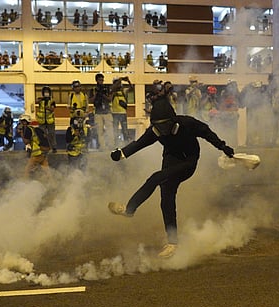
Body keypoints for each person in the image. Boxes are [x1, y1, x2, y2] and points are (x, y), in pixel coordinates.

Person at [108, 82, 235, 258]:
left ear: (173, 120)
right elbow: (138, 145)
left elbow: (207, 132)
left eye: (165, 125)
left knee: (155, 178)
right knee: (166, 199)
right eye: (158, 126)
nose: (162, 130)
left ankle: (129, 209)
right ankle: (173, 243)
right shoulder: (155, 131)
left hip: (188, 162)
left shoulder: (187, 124)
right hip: (170, 159)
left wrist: (223, 147)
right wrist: (121, 153)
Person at [17, 114, 51, 179]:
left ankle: (24, 184)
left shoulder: (28, 130)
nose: (21, 123)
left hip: (37, 153)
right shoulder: (37, 129)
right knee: (46, 171)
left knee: (27, 170)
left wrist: (21, 133)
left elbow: (26, 142)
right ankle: (52, 184)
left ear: (25, 122)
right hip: (44, 151)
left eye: (21, 121)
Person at [89, 73, 113, 151]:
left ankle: (111, 145)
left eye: (102, 80)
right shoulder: (93, 89)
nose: (101, 82)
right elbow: (91, 100)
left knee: (110, 130)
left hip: (107, 111)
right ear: (96, 80)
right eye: (100, 80)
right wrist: (96, 94)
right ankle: (102, 146)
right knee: (100, 130)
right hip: (98, 112)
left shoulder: (106, 88)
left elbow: (110, 99)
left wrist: (103, 94)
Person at [35, 86, 57, 153]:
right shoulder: (40, 100)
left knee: (51, 134)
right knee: (42, 135)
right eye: (45, 92)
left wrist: (48, 108)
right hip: (42, 121)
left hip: (50, 121)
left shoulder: (52, 100)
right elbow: (36, 102)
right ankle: (43, 147)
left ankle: (54, 147)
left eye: (47, 92)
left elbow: (52, 109)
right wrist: (42, 99)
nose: (46, 93)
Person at [111, 76, 132, 144]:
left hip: (123, 113)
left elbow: (131, 88)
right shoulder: (113, 91)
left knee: (125, 129)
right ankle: (116, 143)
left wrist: (128, 81)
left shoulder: (123, 91)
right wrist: (121, 79)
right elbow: (113, 88)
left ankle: (126, 143)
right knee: (115, 130)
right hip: (115, 113)